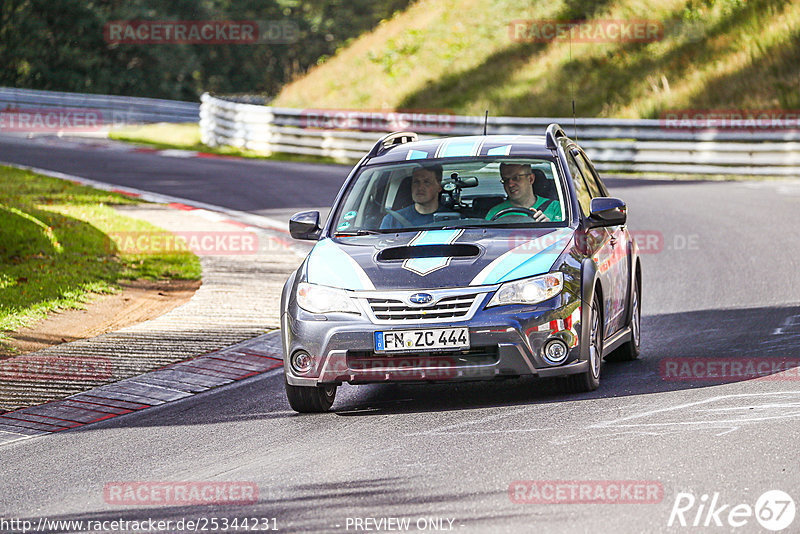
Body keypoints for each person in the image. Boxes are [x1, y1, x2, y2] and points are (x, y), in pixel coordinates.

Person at [485, 163, 562, 222]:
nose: (510, 184)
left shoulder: (556, 208)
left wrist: (549, 227)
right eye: (505, 180)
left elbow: (564, 237)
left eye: (516, 178)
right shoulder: (494, 213)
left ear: (531, 179)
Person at [380, 164, 443, 229]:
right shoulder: (392, 220)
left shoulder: (451, 219)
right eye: (416, 182)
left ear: (439, 186)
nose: (420, 187)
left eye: (426, 182)